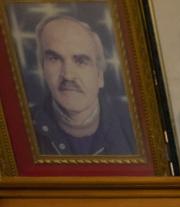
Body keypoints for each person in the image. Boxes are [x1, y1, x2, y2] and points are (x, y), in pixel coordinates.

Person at [28, 14, 136, 156]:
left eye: (81, 61)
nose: (68, 75)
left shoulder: (133, 126)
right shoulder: (24, 127)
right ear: (43, 68)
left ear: (100, 76)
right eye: (54, 59)